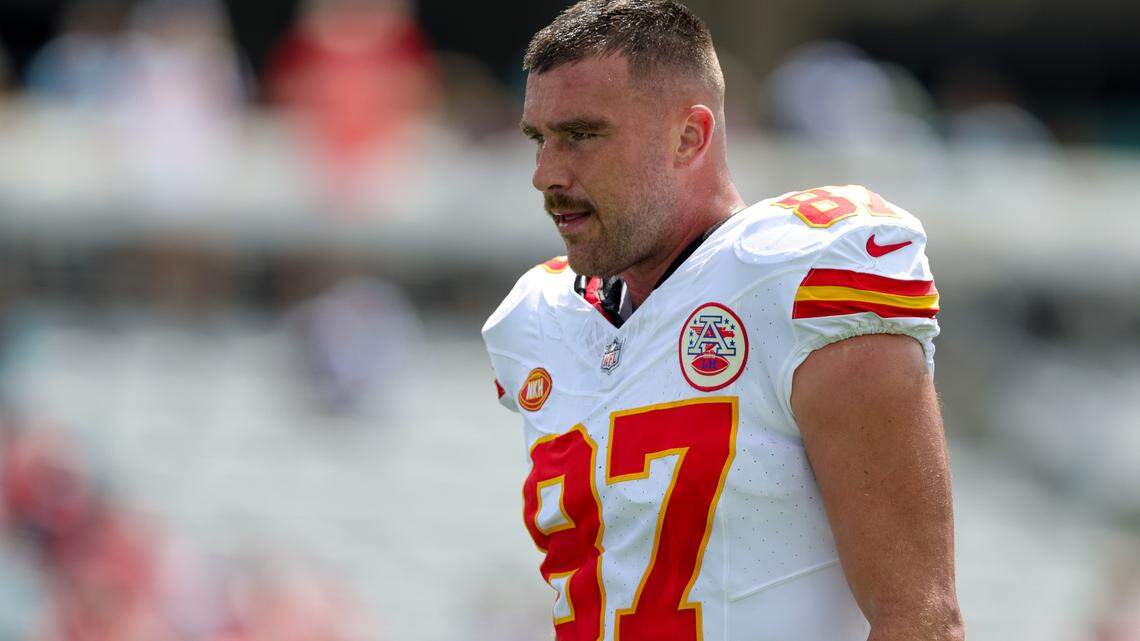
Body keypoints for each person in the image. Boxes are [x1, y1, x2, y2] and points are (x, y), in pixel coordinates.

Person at [480, 1, 962, 640]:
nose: (547, 174)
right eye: (540, 139)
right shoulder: (538, 319)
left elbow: (920, 618)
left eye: (583, 135)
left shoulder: (803, 274)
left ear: (689, 136)